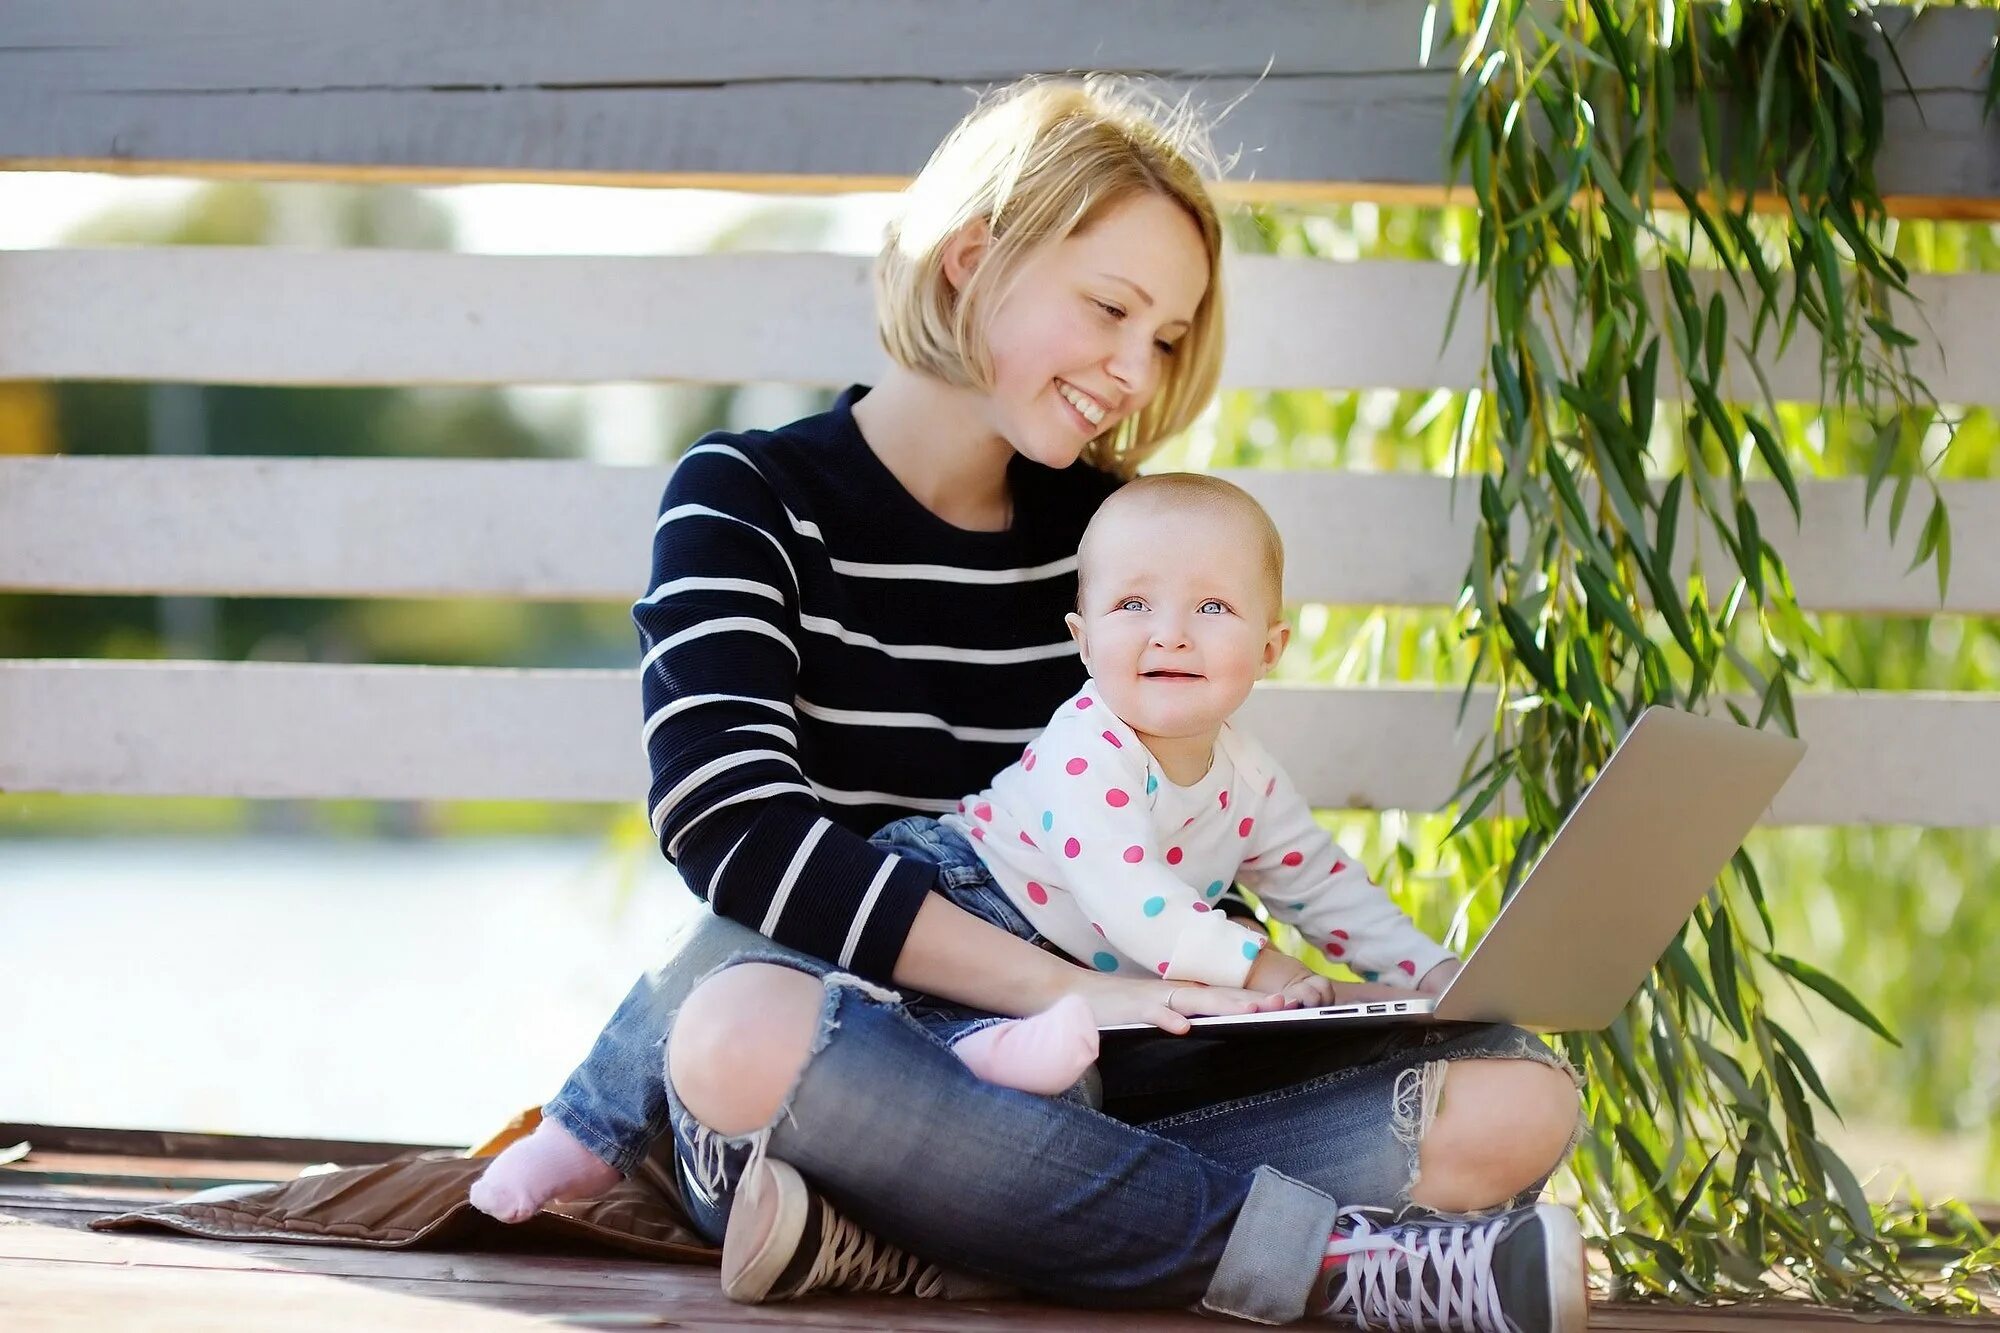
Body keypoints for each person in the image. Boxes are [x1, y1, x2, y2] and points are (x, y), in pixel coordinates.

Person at [471, 76, 1589, 1330]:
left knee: (1518, 1097)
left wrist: (1296, 990)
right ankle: (1329, 1264)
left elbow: (1152, 843)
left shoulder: (1110, 538)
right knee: (736, 1022)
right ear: (968, 262)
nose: (1132, 368)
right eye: (1109, 309)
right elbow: (732, 830)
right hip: (843, 1075)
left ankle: (952, 1244)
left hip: (1088, 1080)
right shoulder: (745, 497)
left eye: (1163, 337)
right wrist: (1067, 996)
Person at [941, 473, 1463, 1098]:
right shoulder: (1086, 746)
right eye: (1134, 605)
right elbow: (1128, 894)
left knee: (1078, 1079)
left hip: (1082, 970)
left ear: (1270, 649)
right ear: (1084, 642)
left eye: (1212, 607)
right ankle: (959, 1045)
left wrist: (1430, 970)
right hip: (976, 903)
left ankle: (1008, 1055)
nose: (1171, 634)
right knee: (916, 1007)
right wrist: (1266, 969)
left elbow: (1324, 884)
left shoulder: (1250, 777)